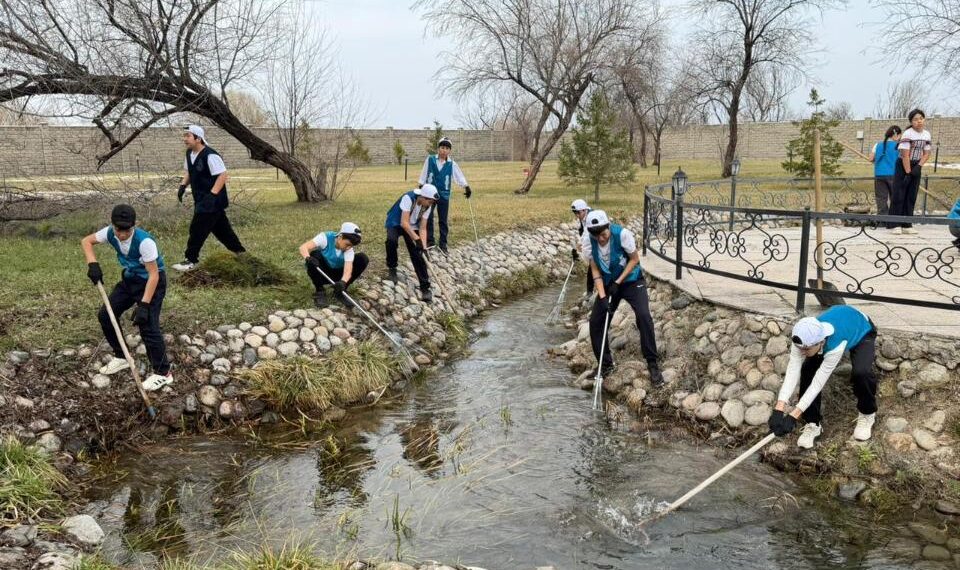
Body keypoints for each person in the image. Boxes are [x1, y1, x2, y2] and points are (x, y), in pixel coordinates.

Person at [81, 204, 173, 391]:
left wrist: (144, 305)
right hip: (130, 279)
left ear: (133, 225)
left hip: (151, 283)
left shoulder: (145, 242)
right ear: (113, 225)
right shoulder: (109, 232)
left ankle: (163, 373)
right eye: (118, 229)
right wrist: (93, 265)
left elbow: (153, 275)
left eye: (126, 230)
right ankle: (122, 357)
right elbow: (86, 241)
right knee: (106, 315)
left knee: (147, 325)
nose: (121, 234)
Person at [768, 305, 878, 449]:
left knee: (861, 373)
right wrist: (779, 408)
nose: (802, 352)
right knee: (807, 369)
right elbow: (793, 370)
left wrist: (793, 415)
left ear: (820, 342)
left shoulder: (835, 345)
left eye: (806, 349)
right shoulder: (802, 337)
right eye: (801, 349)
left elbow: (818, 383)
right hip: (833, 327)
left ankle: (867, 413)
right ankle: (812, 423)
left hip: (862, 331)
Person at [581, 210, 663, 386]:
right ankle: (605, 364)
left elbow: (634, 259)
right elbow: (594, 268)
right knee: (596, 321)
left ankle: (652, 363)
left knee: (643, 316)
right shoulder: (589, 240)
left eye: (603, 234)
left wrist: (618, 282)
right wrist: (602, 297)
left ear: (608, 227)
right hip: (609, 284)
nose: (600, 239)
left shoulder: (623, 234)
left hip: (631, 281)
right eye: (596, 236)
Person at [172, 125, 246, 271]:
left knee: (197, 229)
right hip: (201, 199)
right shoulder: (189, 154)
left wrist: (212, 194)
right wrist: (182, 186)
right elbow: (189, 172)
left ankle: (190, 260)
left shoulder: (210, 155)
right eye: (184, 136)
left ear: (198, 138)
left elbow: (223, 175)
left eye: (188, 136)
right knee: (223, 231)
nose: (184, 139)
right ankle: (241, 254)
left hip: (213, 201)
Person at [385, 185, 440, 302]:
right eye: (429, 202)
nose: (430, 205)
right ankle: (392, 268)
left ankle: (425, 288)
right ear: (423, 197)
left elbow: (423, 228)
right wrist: (417, 239)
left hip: (412, 225)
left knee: (418, 255)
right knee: (391, 241)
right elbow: (404, 223)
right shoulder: (408, 198)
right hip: (396, 222)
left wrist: (423, 246)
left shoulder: (428, 206)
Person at [418, 137, 471, 255]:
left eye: (447, 148)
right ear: (438, 148)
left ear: (449, 151)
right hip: (429, 195)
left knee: (443, 220)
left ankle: (443, 244)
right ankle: (430, 241)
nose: (444, 150)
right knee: (428, 217)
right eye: (442, 147)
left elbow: (459, 176)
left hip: (444, 194)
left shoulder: (451, 164)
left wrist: (466, 186)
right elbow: (424, 173)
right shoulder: (430, 160)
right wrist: (421, 186)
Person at [298, 222, 368, 308]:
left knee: (362, 258)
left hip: (337, 276)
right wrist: (308, 258)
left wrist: (343, 282)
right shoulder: (325, 237)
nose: (348, 248)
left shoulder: (349, 250)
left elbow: (348, 270)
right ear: (340, 237)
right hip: (322, 273)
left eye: (351, 246)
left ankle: (340, 291)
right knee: (314, 255)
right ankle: (320, 291)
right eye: (347, 244)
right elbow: (303, 247)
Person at [889, 109, 932, 234]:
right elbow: (905, 155)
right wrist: (908, 172)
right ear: (911, 122)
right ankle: (895, 224)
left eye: (921, 118)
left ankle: (907, 224)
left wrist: (918, 166)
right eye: (915, 119)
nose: (919, 121)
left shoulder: (926, 134)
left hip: (916, 165)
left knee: (911, 194)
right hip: (903, 165)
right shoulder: (908, 134)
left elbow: (927, 153)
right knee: (899, 193)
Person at [868, 125, 902, 217]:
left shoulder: (877, 145)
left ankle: (882, 219)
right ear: (897, 135)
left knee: (881, 198)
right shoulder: (899, 146)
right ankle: (893, 218)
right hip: (894, 175)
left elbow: (871, 158)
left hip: (879, 175)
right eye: (900, 136)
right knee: (894, 197)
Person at [570, 199, 594, 294]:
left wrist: (581, 250)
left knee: (593, 266)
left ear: (584, 210)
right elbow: (584, 232)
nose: (577, 216)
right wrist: (579, 244)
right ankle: (590, 292)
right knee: (592, 268)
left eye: (578, 213)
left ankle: (592, 292)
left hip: (602, 243)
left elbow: (588, 235)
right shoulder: (584, 218)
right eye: (575, 213)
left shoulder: (591, 217)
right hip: (593, 241)